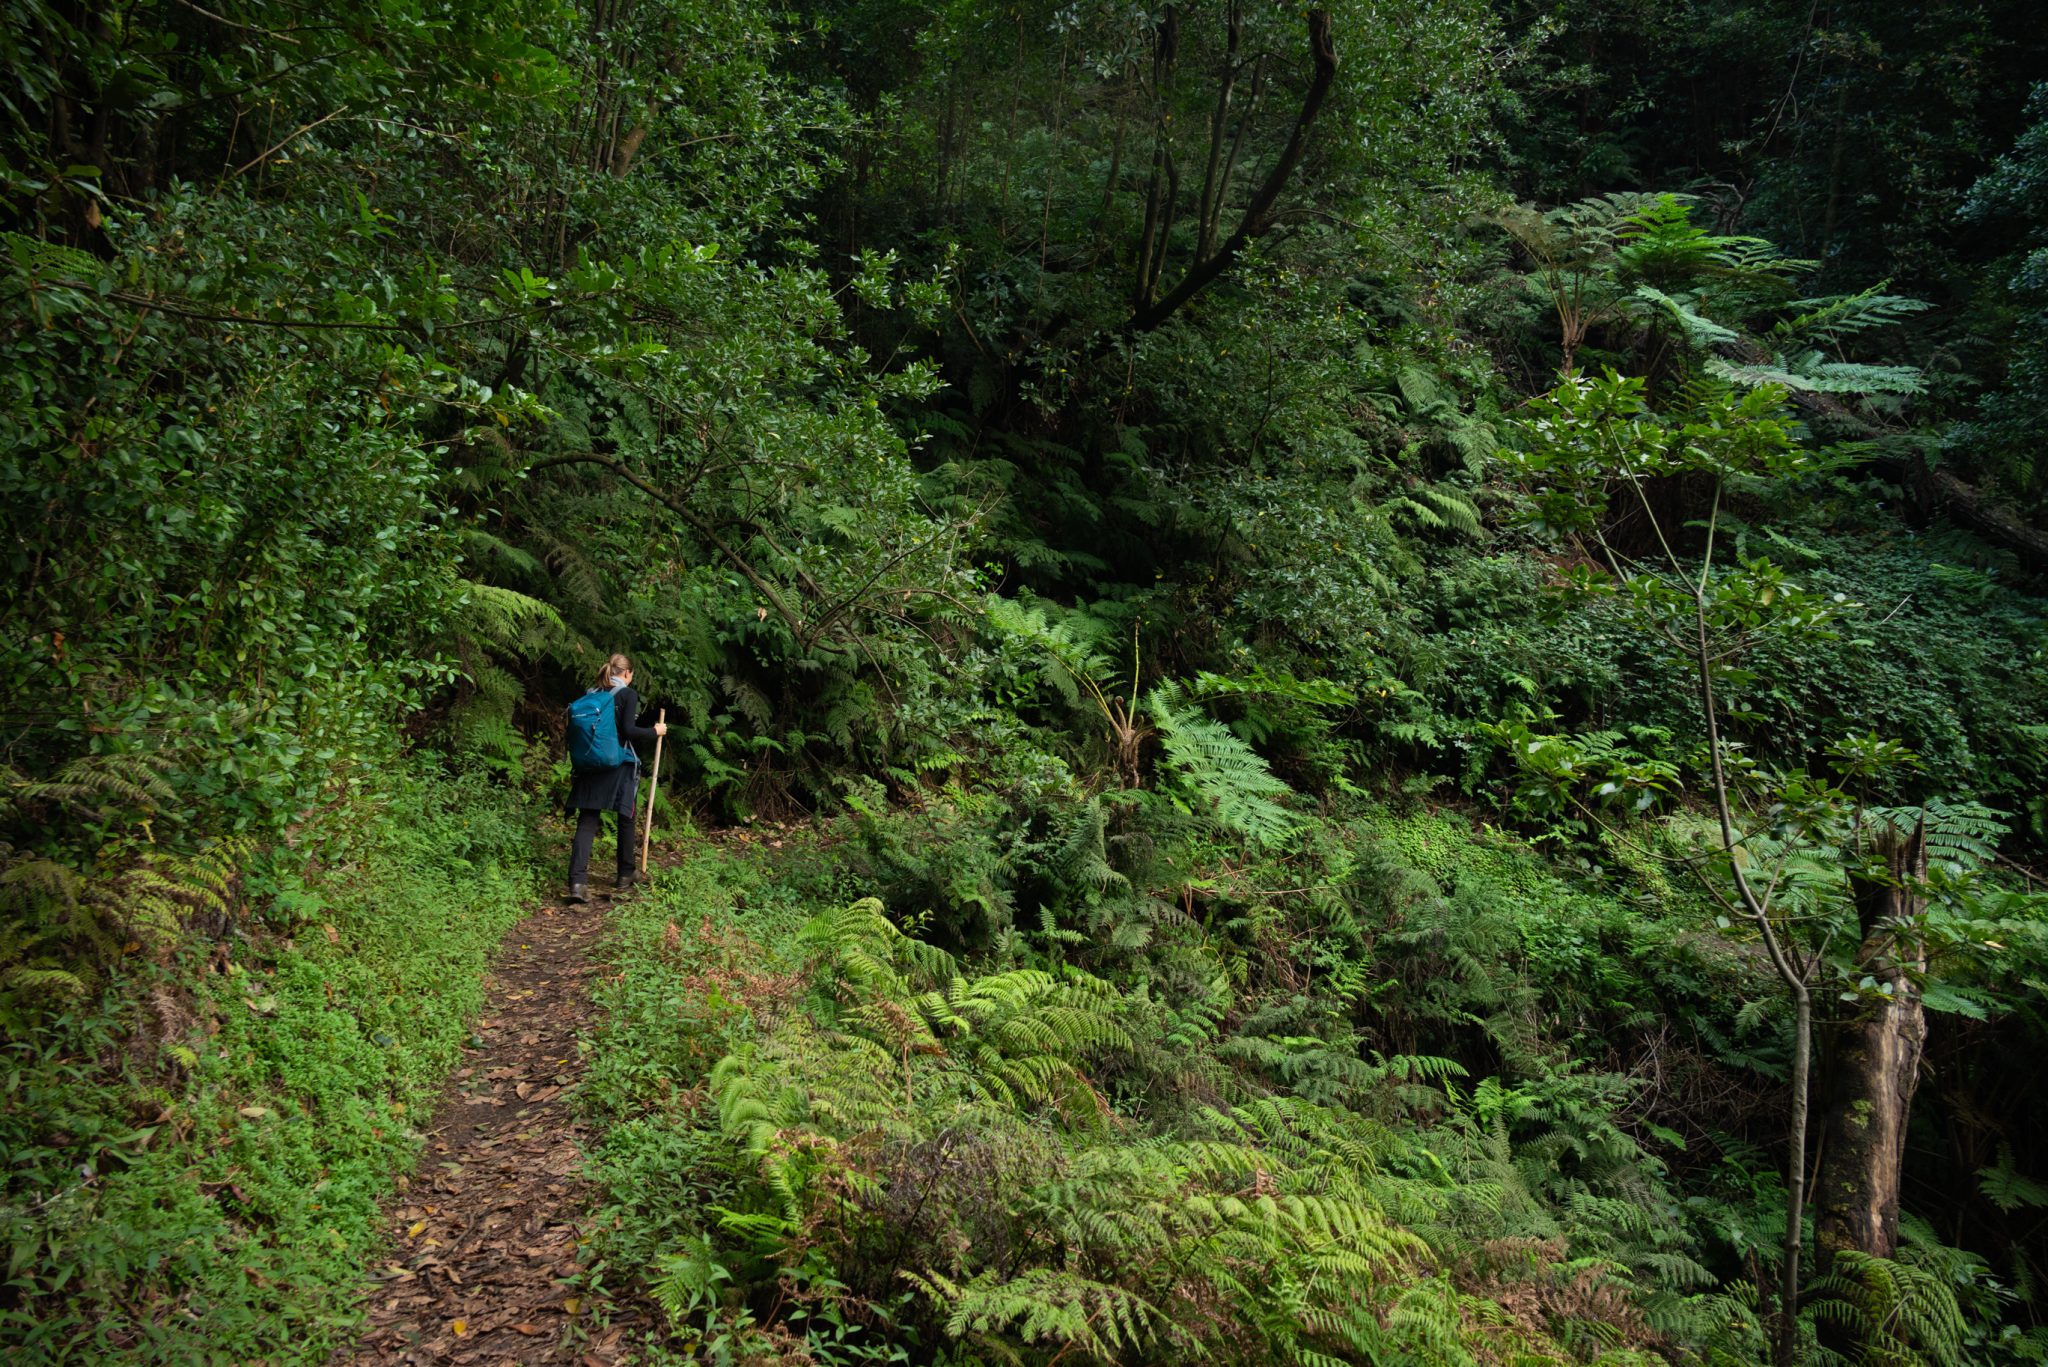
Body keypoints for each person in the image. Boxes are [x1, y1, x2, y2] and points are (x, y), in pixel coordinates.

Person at [565, 652, 667, 903]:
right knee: (626, 816)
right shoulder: (628, 695)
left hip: (589, 765)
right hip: (617, 764)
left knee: (587, 820)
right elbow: (629, 731)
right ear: (627, 674)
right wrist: (656, 731)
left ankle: (577, 882)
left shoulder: (592, 694)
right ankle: (625, 873)